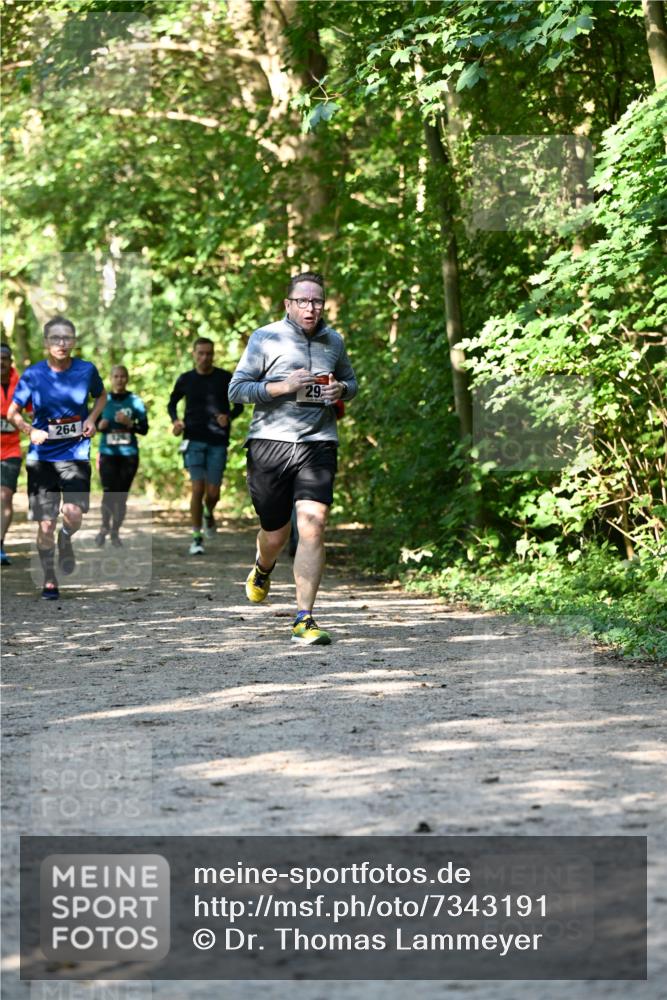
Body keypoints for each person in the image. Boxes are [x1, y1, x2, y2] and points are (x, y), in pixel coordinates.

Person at [228, 271, 357, 645]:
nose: (311, 307)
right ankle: (262, 567)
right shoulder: (265, 337)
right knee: (276, 532)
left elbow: (351, 383)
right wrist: (283, 386)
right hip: (270, 442)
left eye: (317, 301)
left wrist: (341, 388)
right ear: (288, 304)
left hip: (318, 443)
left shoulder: (334, 341)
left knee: (313, 524)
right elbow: (237, 389)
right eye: (303, 300)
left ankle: (305, 617)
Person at [7, 316, 106, 600]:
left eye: (67, 338)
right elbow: (12, 412)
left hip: (75, 453)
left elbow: (101, 397)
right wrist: (29, 429)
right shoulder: (33, 375)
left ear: (74, 341)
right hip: (41, 457)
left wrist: (91, 419)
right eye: (55, 338)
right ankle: (50, 578)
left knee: (72, 515)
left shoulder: (86, 370)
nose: (61, 344)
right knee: (45, 523)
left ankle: (66, 538)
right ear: (46, 343)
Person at [168, 337, 243, 555]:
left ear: (213, 354)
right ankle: (196, 537)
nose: (205, 357)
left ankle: (209, 513)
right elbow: (172, 402)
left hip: (218, 440)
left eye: (209, 353)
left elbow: (238, 405)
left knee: (213, 493)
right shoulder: (186, 379)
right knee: (197, 488)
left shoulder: (224, 378)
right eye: (200, 353)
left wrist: (228, 416)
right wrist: (176, 421)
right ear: (193, 354)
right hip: (193, 439)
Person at [95, 364, 148, 547]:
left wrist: (130, 424)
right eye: (116, 376)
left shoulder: (135, 401)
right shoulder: (102, 401)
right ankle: (104, 526)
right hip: (108, 454)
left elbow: (144, 429)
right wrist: (98, 426)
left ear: (127, 379)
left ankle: (115, 531)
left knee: (121, 496)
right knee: (109, 492)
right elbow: (88, 427)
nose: (119, 379)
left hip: (129, 455)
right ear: (111, 379)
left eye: (122, 376)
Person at [1, 343, 24, 565]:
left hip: (11, 449)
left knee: (5, 495)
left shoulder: (21, 385)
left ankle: (0, 544)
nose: (1, 362)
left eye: (4, 358)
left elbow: (33, 411)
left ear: (10, 361)